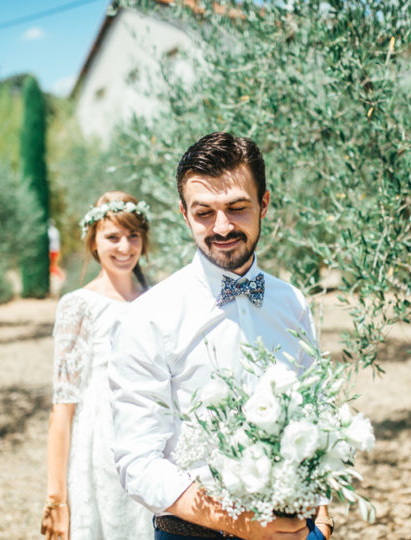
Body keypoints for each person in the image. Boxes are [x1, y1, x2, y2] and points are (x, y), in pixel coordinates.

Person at [108, 133, 333, 540]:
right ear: (184, 214)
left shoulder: (292, 302)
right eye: (204, 213)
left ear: (263, 203)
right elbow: (137, 461)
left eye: (236, 208)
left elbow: (317, 414)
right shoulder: (146, 318)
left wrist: (324, 519)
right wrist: (241, 524)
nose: (223, 227)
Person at [42, 191, 155, 540]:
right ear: (93, 241)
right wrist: (56, 499)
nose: (125, 246)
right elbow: (63, 407)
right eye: (113, 237)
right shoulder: (79, 305)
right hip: (100, 446)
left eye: (133, 235)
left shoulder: (158, 300)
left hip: (151, 439)